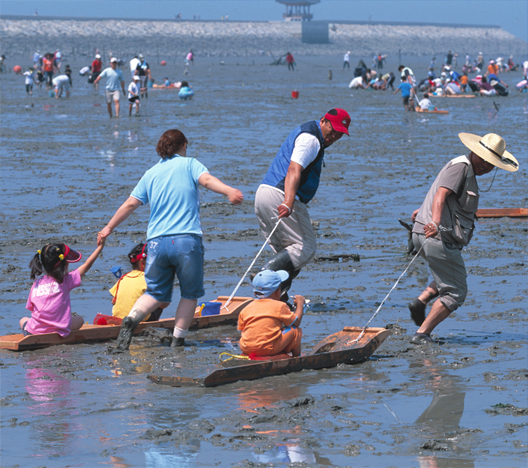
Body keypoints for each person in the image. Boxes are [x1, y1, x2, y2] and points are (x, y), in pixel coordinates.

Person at [97, 129, 244, 352]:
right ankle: (178, 341)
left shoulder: (151, 173)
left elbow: (130, 204)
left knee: (155, 293)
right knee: (189, 294)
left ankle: (132, 318)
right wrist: (228, 191)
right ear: (184, 145)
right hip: (185, 240)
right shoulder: (189, 164)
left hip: (156, 243)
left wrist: (108, 227)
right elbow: (206, 180)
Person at [408, 133, 519, 344]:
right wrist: (435, 222)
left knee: (449, 276)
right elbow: (440, 195)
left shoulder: (465, 169)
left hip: (427, 234)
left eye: (491, 163)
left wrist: (423, 211)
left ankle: (421, 302)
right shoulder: (461, 166)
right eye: (483, 159)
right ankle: (422, 334)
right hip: (436, 236)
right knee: (456, 291)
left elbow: (442, 196)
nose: (486, 166)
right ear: (475, 152)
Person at [254, 109, 350, 303]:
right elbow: (294, 169)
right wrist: (289, 201)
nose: (334, 137)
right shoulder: (311, 139)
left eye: (339, 134)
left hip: (265, 193)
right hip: (281, 195)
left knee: (289, 253)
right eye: (332, 131)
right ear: (323, 121)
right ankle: (265, 276)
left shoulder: (311, 136)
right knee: (306, 248)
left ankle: (276, 299)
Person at [20, 241, 105, 337]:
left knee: (23, 319)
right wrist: (100, 247)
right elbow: (86, 265)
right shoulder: (65, 280)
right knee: (80, 319)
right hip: (59, 329)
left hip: (34, 330)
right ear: (64, 264)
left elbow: (31, 308)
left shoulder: (37, 283)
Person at [238, 270, 305, 357]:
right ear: (278, 292)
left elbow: (241, 329)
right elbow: (296, 321)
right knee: (295, 330)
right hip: (268, 348)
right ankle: (297, 357)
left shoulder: (246, 308)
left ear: (255, 293)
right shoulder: (280, 306)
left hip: (246, 348)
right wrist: (300, 304)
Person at [109, 243, 165, 321]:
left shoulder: (123, 277)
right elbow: (164, 304)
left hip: (119, 319)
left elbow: (113, 301)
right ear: (142, 262)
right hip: (139, 320)